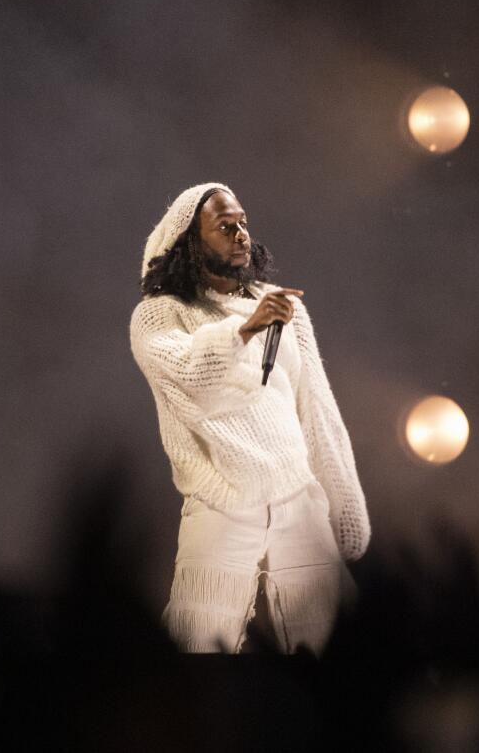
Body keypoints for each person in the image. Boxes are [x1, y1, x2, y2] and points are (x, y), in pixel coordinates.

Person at [129, 182, 370, 655]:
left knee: (333, 648)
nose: (241, 235)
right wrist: (245, 326)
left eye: (243, 223)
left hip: (297, 497)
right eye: (225, 226)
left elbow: (316, 408)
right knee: (198, 642)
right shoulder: (159, 316)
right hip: (219, 500)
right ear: (189, 243)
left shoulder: (285, 308)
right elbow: (190, 374)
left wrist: (345, 506)